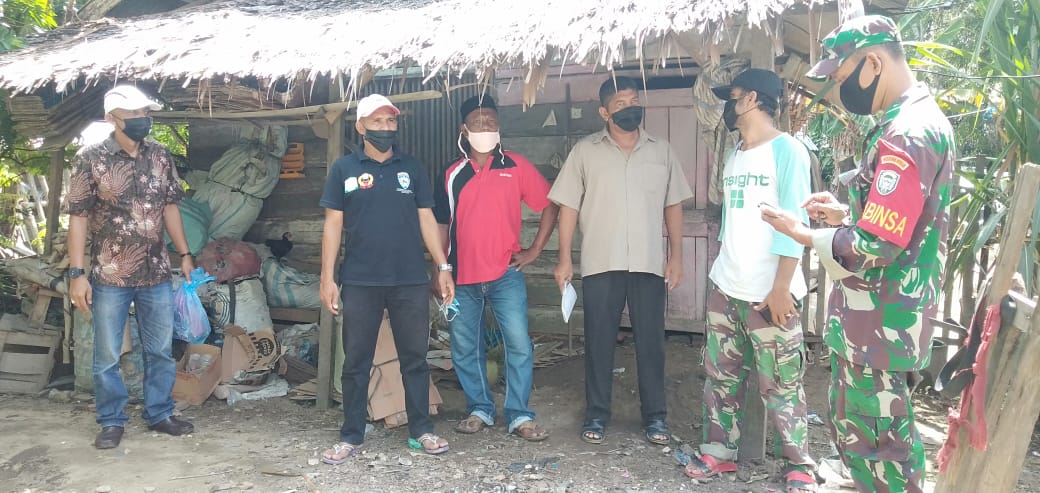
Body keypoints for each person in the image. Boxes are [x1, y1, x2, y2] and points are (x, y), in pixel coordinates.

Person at [762, 15, 955, 493]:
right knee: (861, 438)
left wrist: (804, 234)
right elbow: (902, 218)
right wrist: (845, 211)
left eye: (843, 75)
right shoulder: (907, 123)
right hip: (874, 321)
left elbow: (878, 243)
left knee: (882, 452)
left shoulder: (908, 133)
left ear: (873, 63)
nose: (839, 87)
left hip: (881, 322)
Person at [682, 68, 817, 492]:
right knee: (720, 377)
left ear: (753, 99)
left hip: (769, 293)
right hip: (727, 287)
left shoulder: (788, 151)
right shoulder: (735, 154)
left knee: (781, 383)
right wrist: (721, 276)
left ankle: (797, 466)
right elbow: (733, 221)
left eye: (733, 96)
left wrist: (781, 288)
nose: (728, 104)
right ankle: (718, 453)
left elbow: (794, 225)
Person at [549, 76, 693, 446]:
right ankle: (596, 414)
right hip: (601, 261)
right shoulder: (585, 152)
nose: (630, 109)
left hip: (648, 262)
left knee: (651, 343)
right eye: (620, 104)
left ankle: (655, 417)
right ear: (604, 112)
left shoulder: (661, 151)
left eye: (634, 101)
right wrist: (564, 259)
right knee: (598, 342)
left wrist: (676, 256)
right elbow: (568, 207)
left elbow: (673, 205)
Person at [318, 94, 456, 463]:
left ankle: (421, 430)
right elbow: (333, 225)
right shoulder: (344, 169)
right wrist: (327, 277)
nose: (385, 128)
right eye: (377, 122)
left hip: (409, 279)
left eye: (390, 121)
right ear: (360, 127)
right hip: (360, 279)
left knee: (415, 358)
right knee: (356, 361)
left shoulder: (411, 168)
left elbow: (427, 219)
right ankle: (351, 435)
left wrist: (442, 267)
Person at [67, 85, 196, 449]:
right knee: (108, 354)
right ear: (112, 118)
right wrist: (77, 274)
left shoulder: (160, 155)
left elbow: (170, 207)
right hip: (110, 274)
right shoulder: (90, 158)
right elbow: (78, 218)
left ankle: (160, 413)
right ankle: (111, 420)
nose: (142, 119)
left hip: (156, 271)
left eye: (144, 113)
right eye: (134, 114)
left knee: (160, 349)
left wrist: (185, 254)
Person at [432, 95, 558, 441]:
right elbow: (440, 224)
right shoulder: (451, 173)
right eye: (478, 121)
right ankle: (480, 409)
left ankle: (519, 414)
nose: (485, 126)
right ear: (464, 129)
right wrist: (439, 268)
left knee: (518, 344)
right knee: (464, 346)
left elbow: (550, 204)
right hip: (460, 277)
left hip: (505, 274)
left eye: (491, 120)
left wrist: (535, 249)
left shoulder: (516, 165)